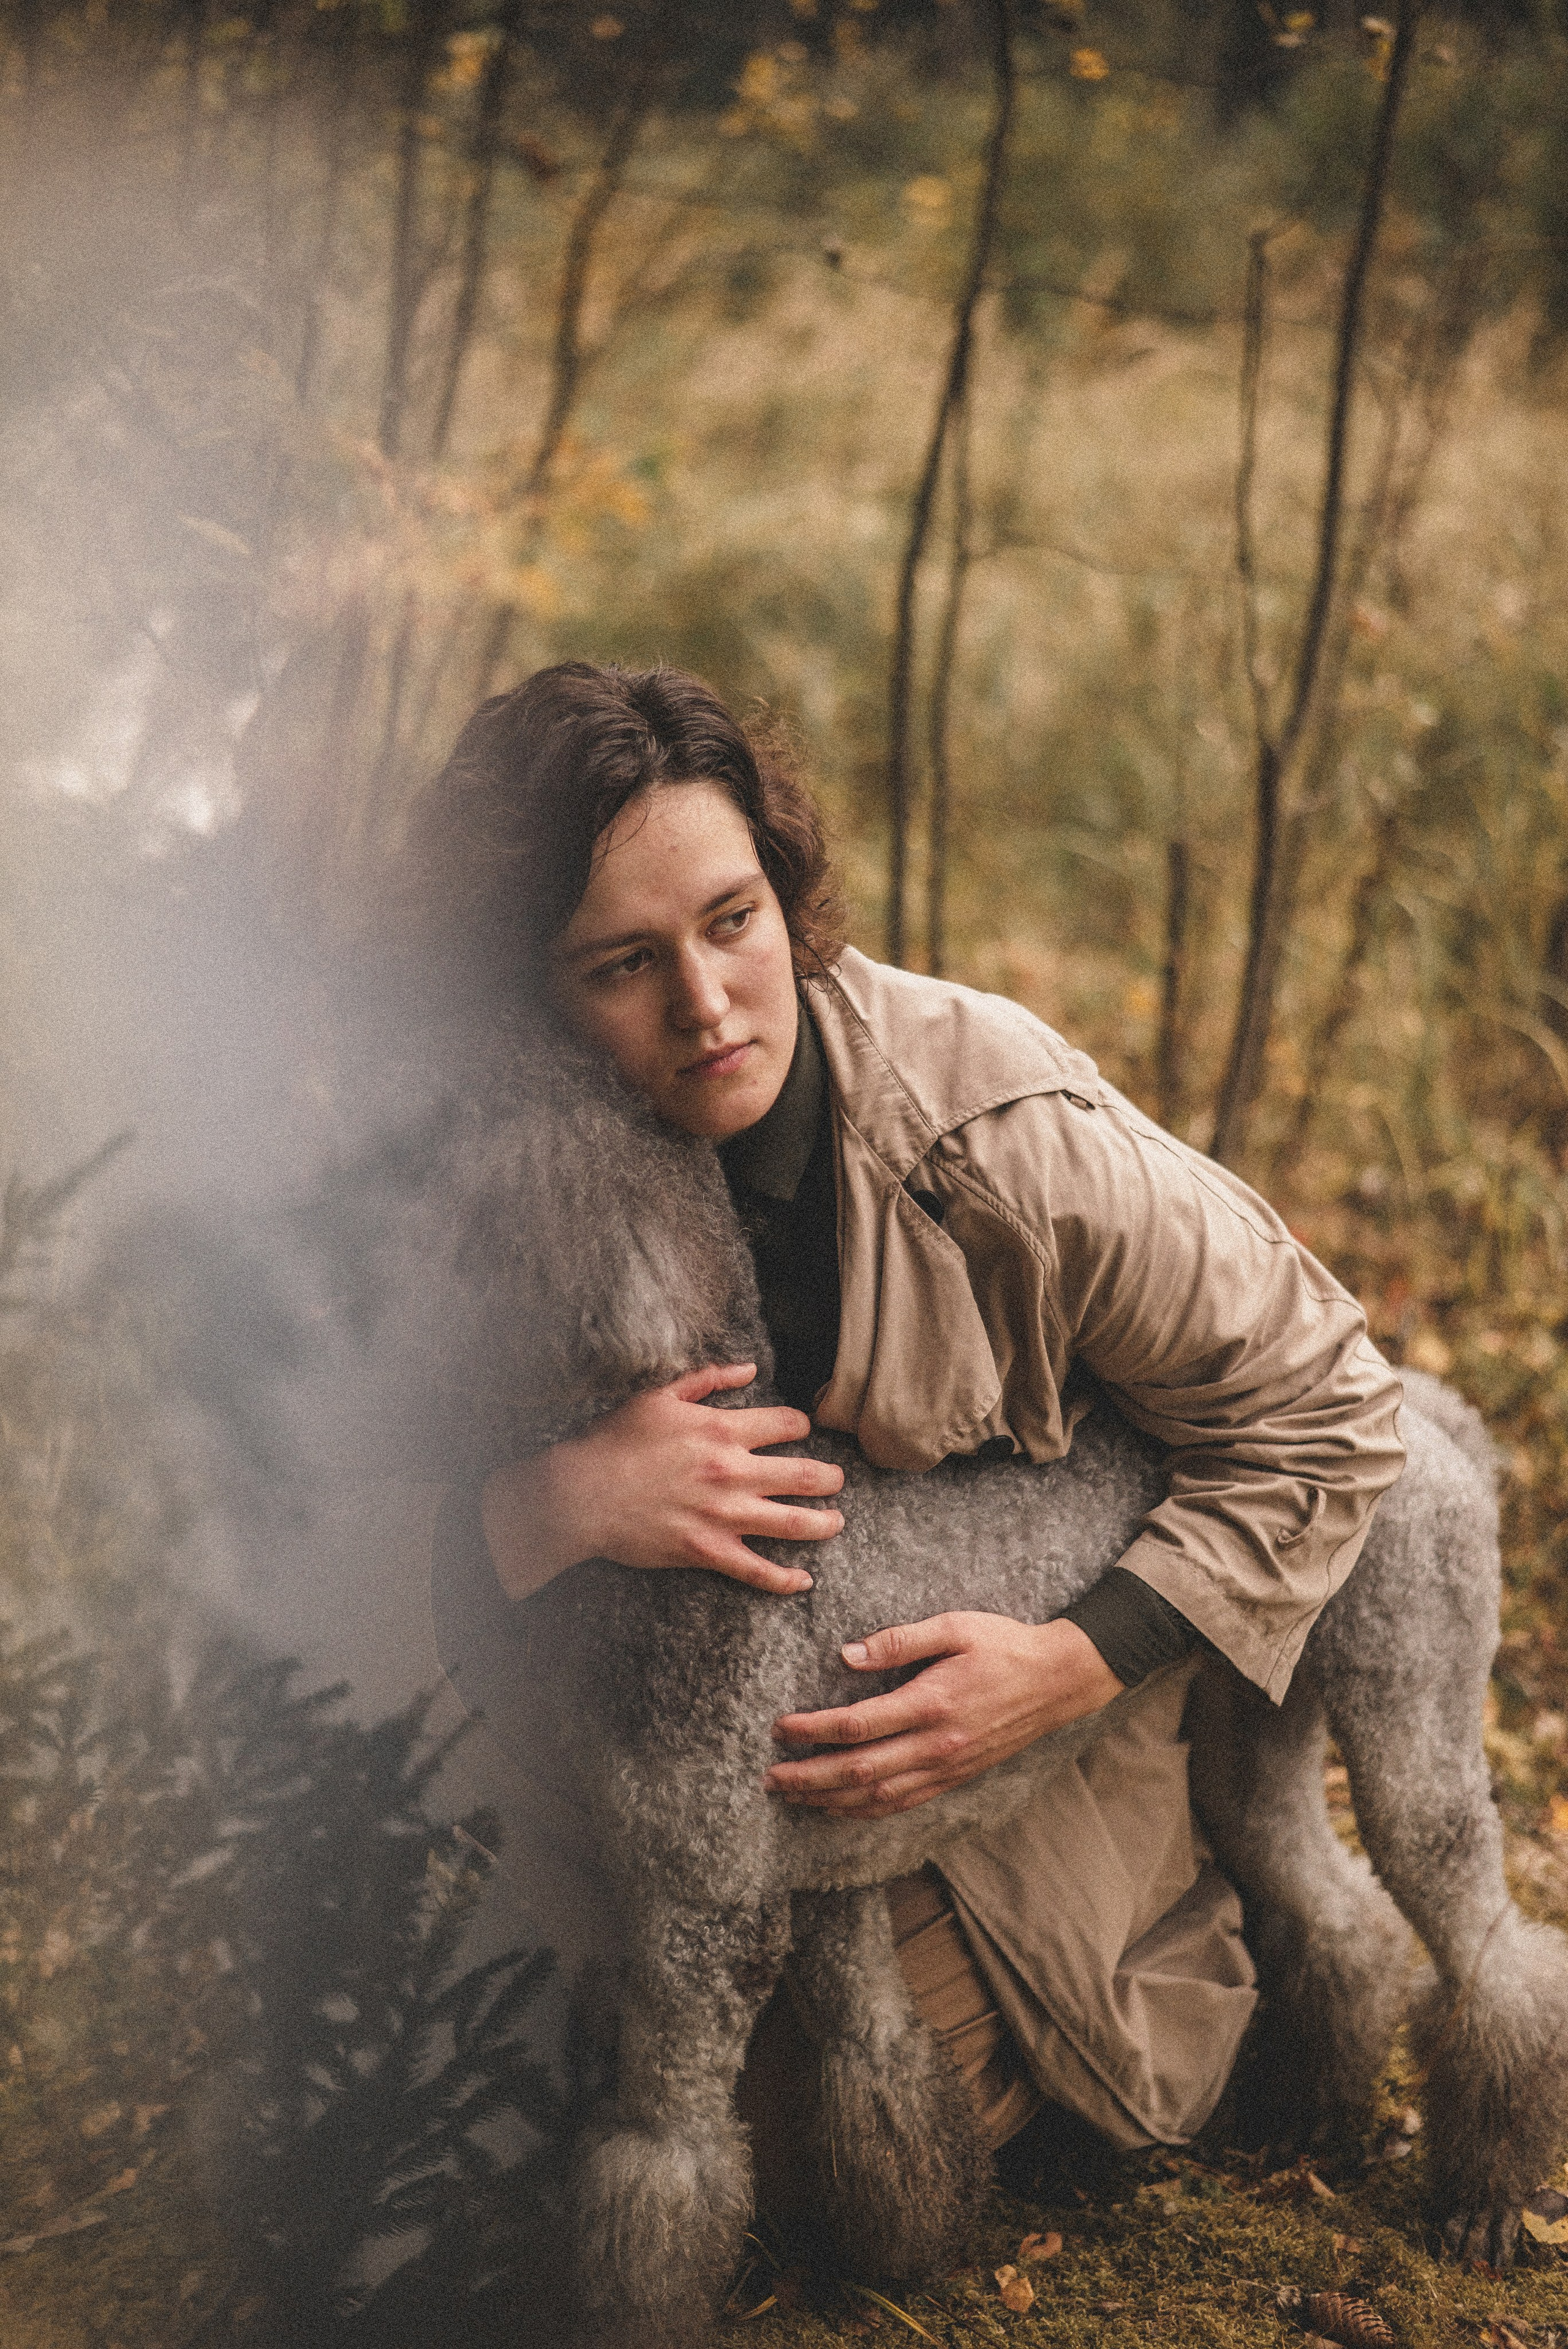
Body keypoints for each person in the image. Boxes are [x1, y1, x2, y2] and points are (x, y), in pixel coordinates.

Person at [417, 658, 1405, 2188]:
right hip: (627, 1753)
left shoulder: (997, 1134)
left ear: (783, 894)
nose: (703, 1005)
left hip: (995, 1749)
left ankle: (1213, 1944)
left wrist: (1066, 1667)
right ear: (525, 995)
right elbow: (304, 1520)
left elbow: (1330, 1409)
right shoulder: (473, 1175)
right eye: (619, 963)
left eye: (731, 921)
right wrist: (553, 1501)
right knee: (464, 2095)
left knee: (792, 2134)